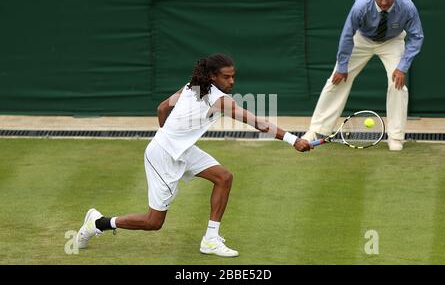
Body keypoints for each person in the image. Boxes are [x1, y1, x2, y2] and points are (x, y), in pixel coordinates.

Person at [75, 53, 312, 257]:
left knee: (224, 177)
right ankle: (98, 223)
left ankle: (210, 239)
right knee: (153, 222)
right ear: (213, 77)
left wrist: (170, 135)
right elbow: (257, 122)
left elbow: (161, 107)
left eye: (233, 76)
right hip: (163, 156)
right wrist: (293, 140)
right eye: (226, 77)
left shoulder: (192, 86)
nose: (232, 81)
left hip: (181, 150)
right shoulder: (219, 101)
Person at [301, 0, 424, 151]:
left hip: (393, 41)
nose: (383, 2)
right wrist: (342, 66)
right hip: (362, 40)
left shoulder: (407, 6)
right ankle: (316, 130)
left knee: (397, 84)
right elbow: (347, 34)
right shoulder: (361, 5)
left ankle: (396, 136)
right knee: (336, 80)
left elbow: (417, 37)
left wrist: (402, 67)